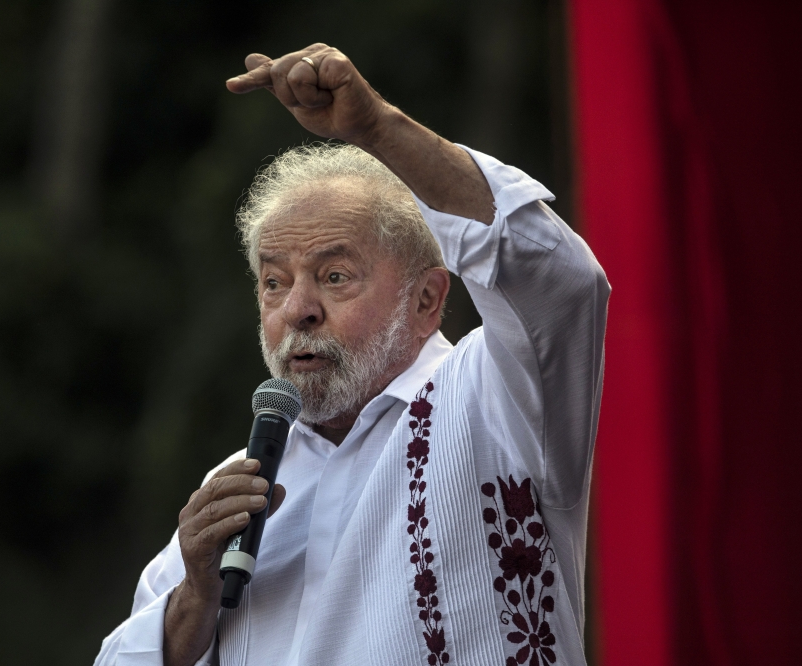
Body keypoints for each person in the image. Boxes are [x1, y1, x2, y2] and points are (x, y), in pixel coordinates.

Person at [94, 43, 609, 666]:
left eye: (335, 276)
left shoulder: (495, 401)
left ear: (426, 299)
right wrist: (193, 602)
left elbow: (561, 281)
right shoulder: (233, 491)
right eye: (274, 282)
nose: (297, 310)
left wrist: (377, 129)